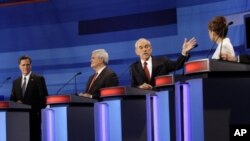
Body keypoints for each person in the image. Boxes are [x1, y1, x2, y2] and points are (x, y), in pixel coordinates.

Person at [130, 37, 197, 90]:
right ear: (136, 52)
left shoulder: (162, 61)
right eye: (141, 48)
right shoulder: (134, 67)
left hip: (162, 97)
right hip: (143, 101)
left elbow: (177, 65)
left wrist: (184, 52)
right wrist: (140, 87)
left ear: (151, 49)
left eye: (146, 46)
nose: (144, 49)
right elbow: (133, 86)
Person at [10, 55, 48, 141]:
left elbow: (43, 99)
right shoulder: (15, 82)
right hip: (20, 118)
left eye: (28, 64)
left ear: (31, 65)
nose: (26, 67)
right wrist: (17, 104)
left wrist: (36, 112)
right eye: (23, 65)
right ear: (19, 66)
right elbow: (12, 99)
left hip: (34, 118)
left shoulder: (39, 79)